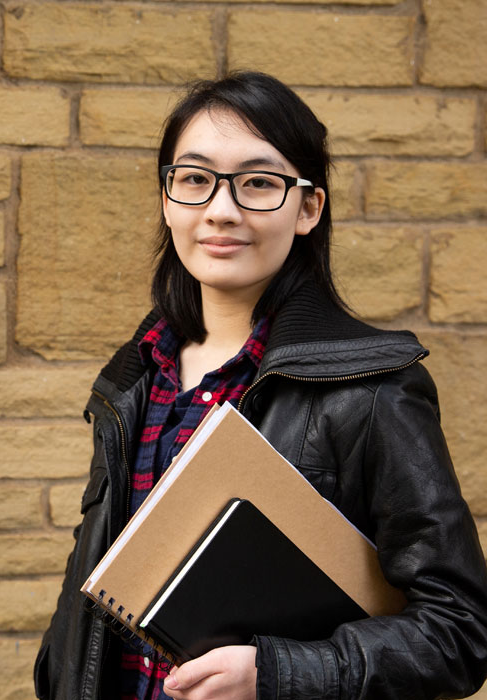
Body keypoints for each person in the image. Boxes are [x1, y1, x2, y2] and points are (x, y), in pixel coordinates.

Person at [33, 71, 487, 700]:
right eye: (195, 179)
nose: (221, 210)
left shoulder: (374, 390)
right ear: (167, 200)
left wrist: (277, 675)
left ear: (308, 209)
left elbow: (459, 633)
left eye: (258, 184)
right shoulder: (132, 379)